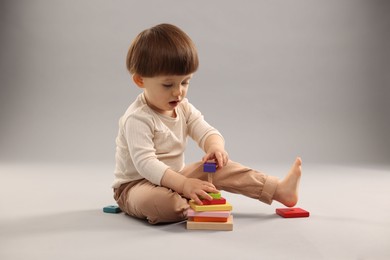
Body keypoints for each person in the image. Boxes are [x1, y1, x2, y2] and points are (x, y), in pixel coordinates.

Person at [112, 23, 302, 224]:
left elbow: (205, 130)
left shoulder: (183, 107)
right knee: (162, 203)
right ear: (140, 81)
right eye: (168, 85)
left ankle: (279, 190)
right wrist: (184, 185)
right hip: (136, 186)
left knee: (219, 168)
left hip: (177, 178)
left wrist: (215, 148)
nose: (178, 92)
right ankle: (183, 204)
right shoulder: (137, 118)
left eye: (185, 82)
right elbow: (146, 164)